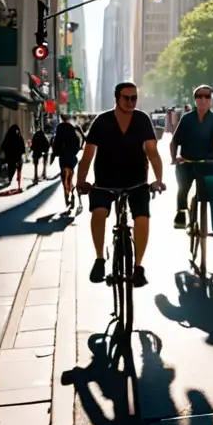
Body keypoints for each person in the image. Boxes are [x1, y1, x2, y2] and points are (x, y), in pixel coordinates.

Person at [77, 82, 165, 287]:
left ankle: (139, 267)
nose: (130, 102)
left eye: (134, 98)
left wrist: (158, 180)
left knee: (142, 217)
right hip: (105, 182)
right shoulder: (102, 121)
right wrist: (81, 181)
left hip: (136, 182)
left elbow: (152, 152)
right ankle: (99, 259)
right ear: (117, 98)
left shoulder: (142, 120)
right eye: (126, 98)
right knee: (99, 213)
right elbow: (88, 154)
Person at [169, 85, 213, 230]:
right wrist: (174, 158)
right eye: (199, 96)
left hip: (210, 161)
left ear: (211, 100)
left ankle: (211, 217)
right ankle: (181, 211)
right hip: (188, 161)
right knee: (183, 186)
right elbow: (174, 141)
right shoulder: (187, 119)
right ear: (195, 100)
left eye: (207, 96)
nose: (203, 99)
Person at [52, 114, 83, 210]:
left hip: (63, 158)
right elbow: (77, 142)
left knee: (63, 178)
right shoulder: (71, 128)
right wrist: (75, 151)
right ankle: (72, 190)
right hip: (71, 158)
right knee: (70, 176)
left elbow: (56, 142)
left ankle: (67, 197)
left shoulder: (59, 128)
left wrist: (56, 152)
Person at [1, 125, 25, 190]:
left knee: (11, 168)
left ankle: (10, 179)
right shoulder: (19, 137)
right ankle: (17, 182)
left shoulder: (8, 136)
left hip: (10, 157)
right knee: (18, 169)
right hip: (17, 157)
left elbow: (3, 146)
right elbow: (22, 148)